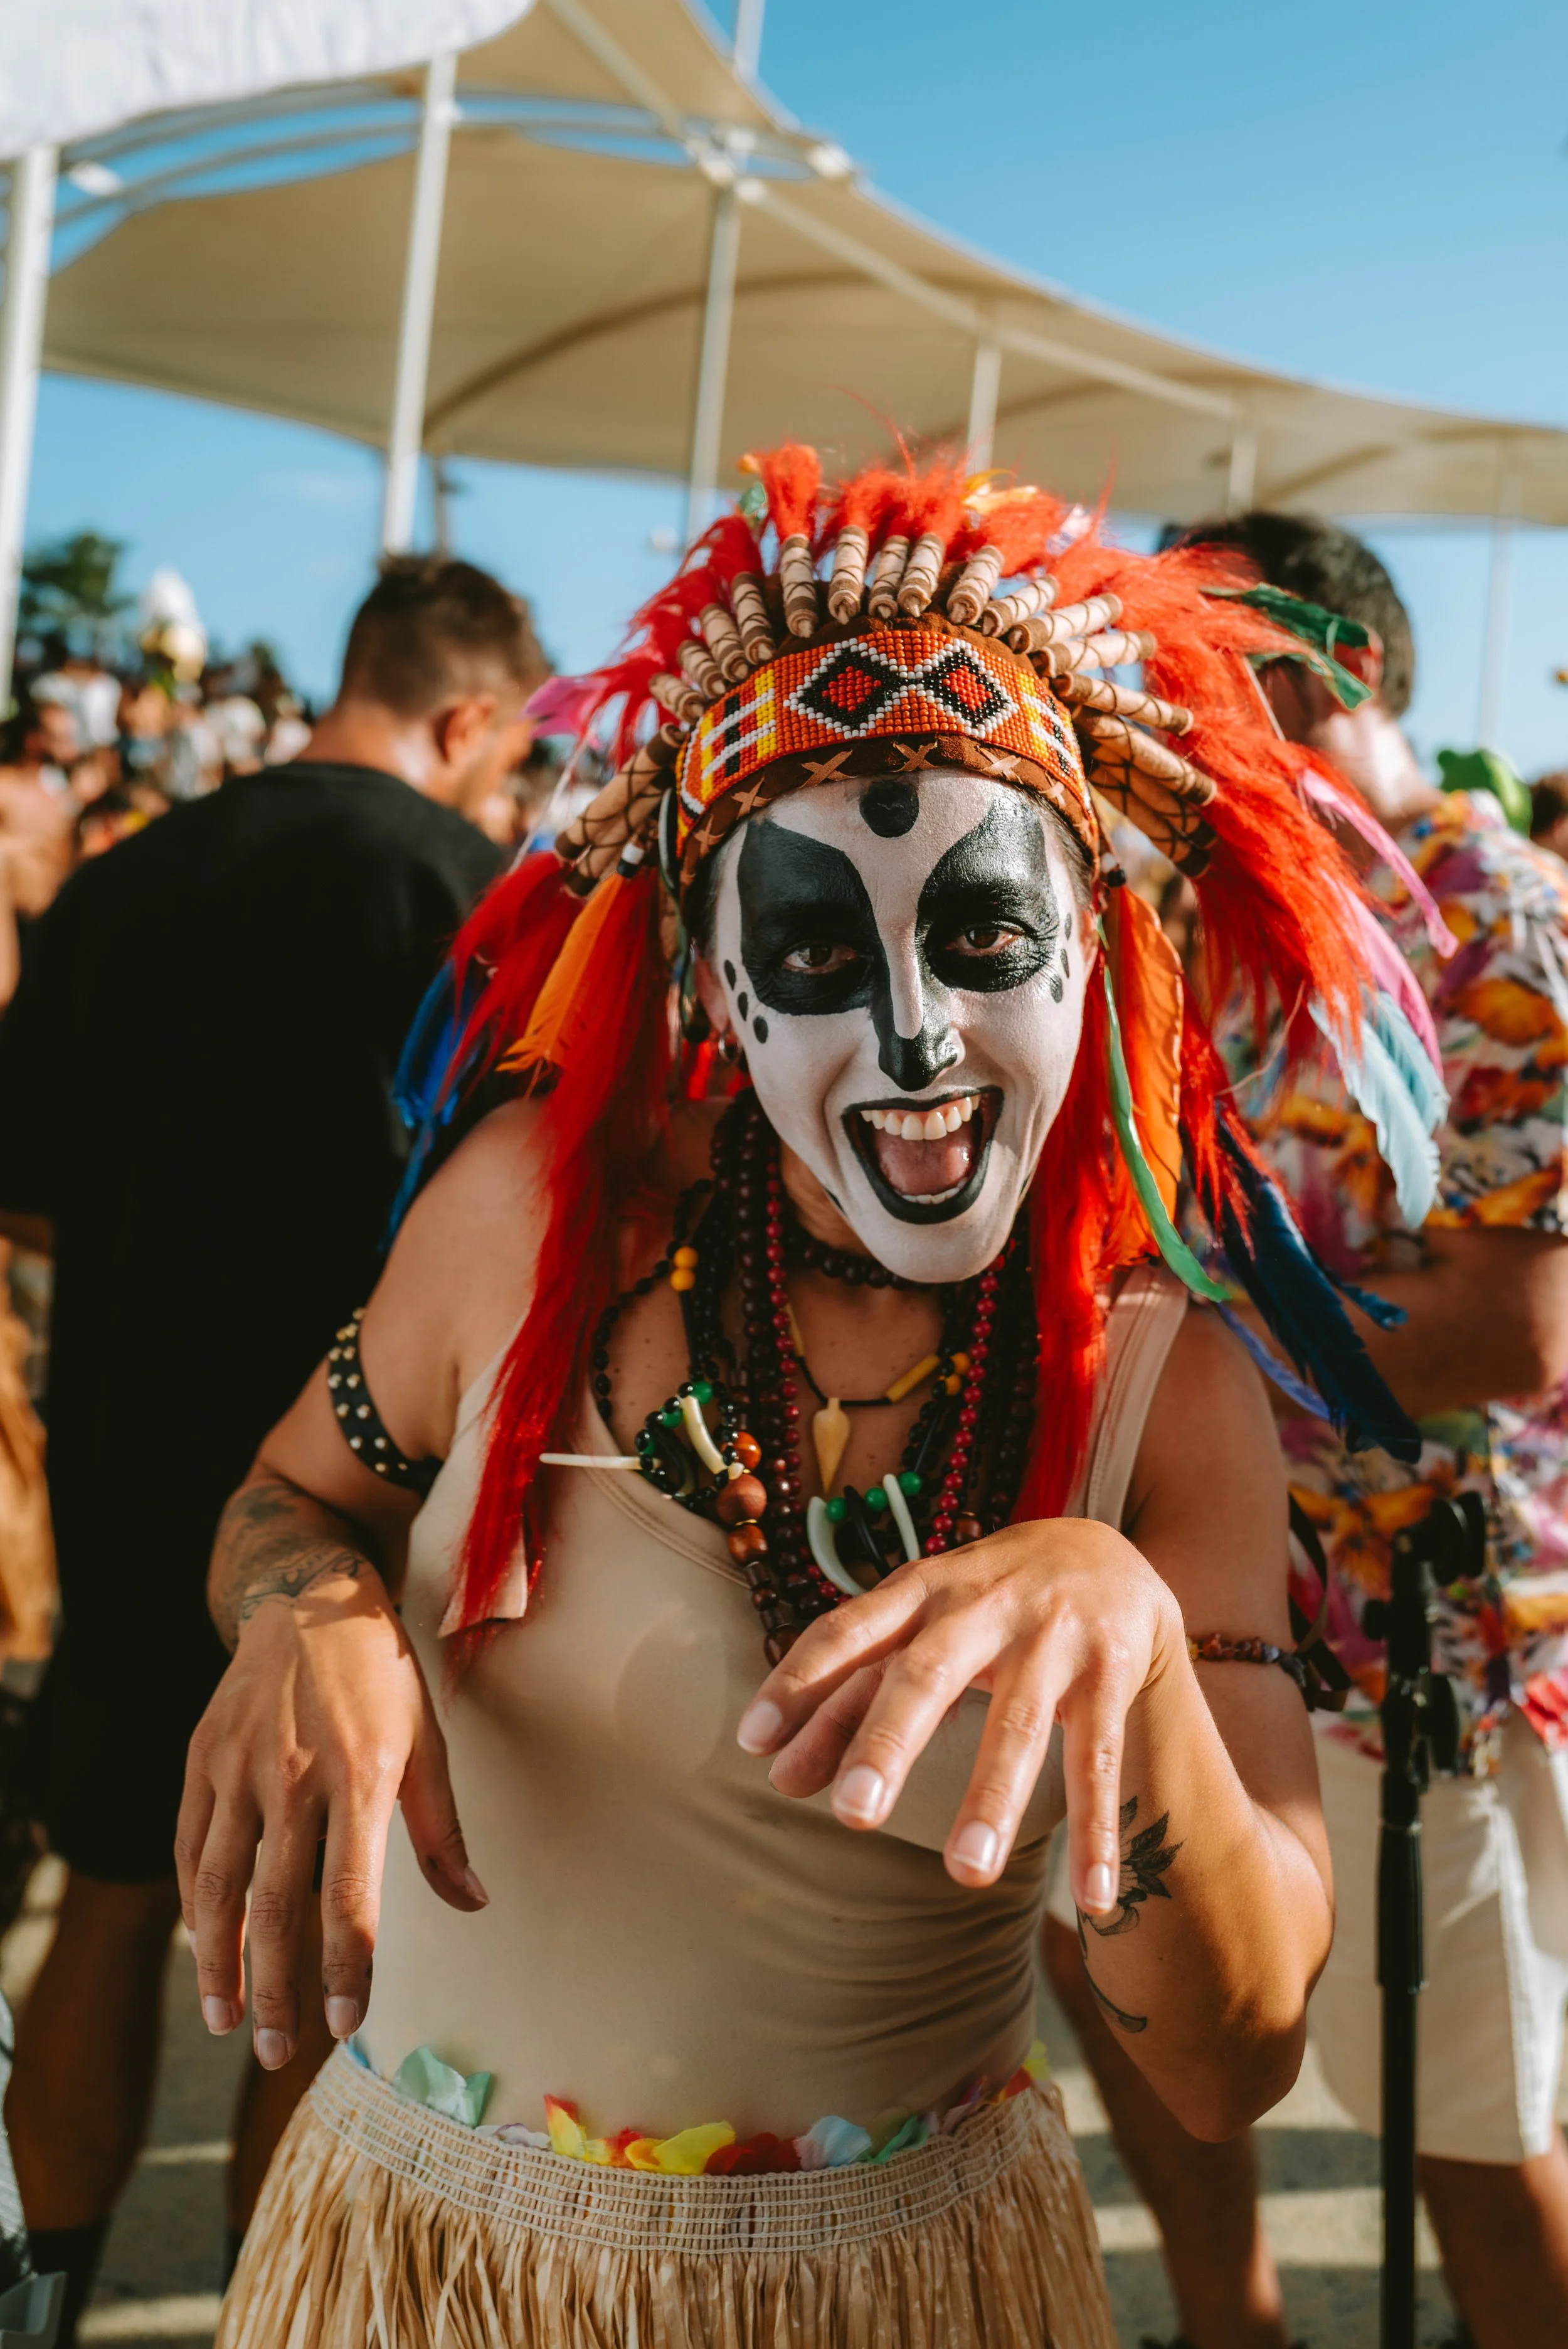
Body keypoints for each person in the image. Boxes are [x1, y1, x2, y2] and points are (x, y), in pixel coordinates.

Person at [184, 450, 1436, 2346]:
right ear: (709, 983)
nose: (916, 1037)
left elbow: (1223, 2066)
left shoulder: (1157, 1399)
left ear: (1094, 943)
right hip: (434, 2274)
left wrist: (1126, 1634)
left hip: (897, 2294)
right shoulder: (535, 1225)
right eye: (821, 954)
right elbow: (295, 1497)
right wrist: (311, 1613)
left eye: (984, 936)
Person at [0, 553, 546, 2339]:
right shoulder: (469, 897)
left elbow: (28, 1199)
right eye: (505, 753)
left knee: (104, 1897)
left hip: (129, 1454)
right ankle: (266, 2316)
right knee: (311, 1956)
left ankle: (38, 2305)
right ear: (465, 718)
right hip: (344, 1501)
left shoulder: (128, 876)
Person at [1044, 514, 1568, 2349]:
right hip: (1209, 1606)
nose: (1147, 706)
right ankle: (1230, 2327)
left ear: (1308, 670)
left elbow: (1510, 1332)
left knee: (1469, 2142)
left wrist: (1160, 1344)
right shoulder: (1197, 905)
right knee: (1159, 2021)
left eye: (1174, 658)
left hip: (1428, 1640)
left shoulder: (1488, 903)